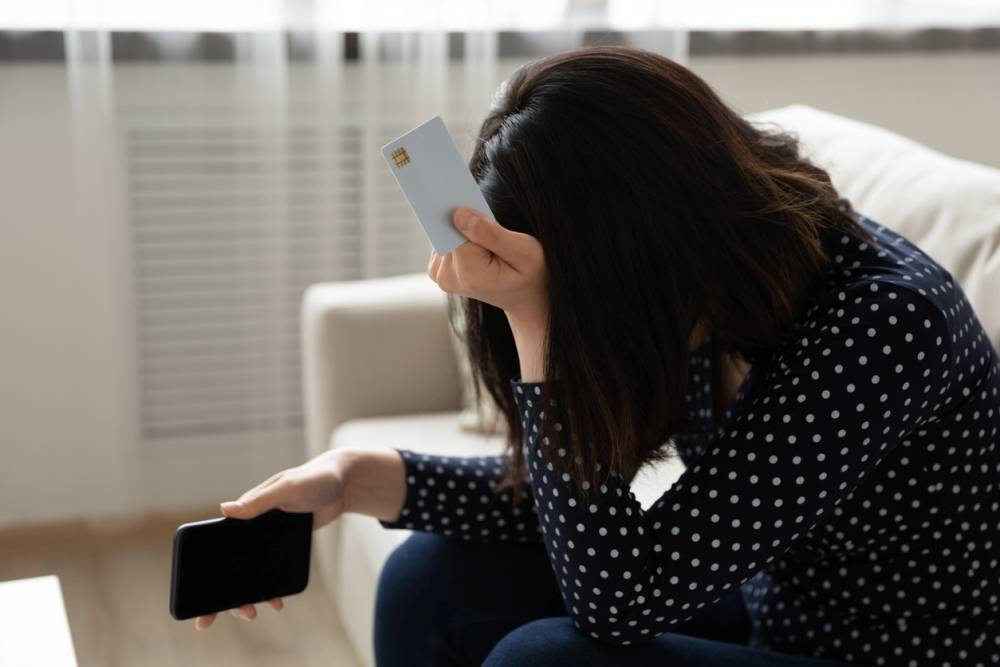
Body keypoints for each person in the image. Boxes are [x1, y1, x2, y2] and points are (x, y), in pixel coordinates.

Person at [194, 45, 1000, 667]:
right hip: (779, 606)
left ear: (639, 249)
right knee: (427, 579)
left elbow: (619, 602)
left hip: (891, 652)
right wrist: (355, 477)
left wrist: (536, 318)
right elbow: (587, 503)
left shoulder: (885, 326)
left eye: (570, 294)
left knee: (543, 659)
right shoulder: (713, 289)